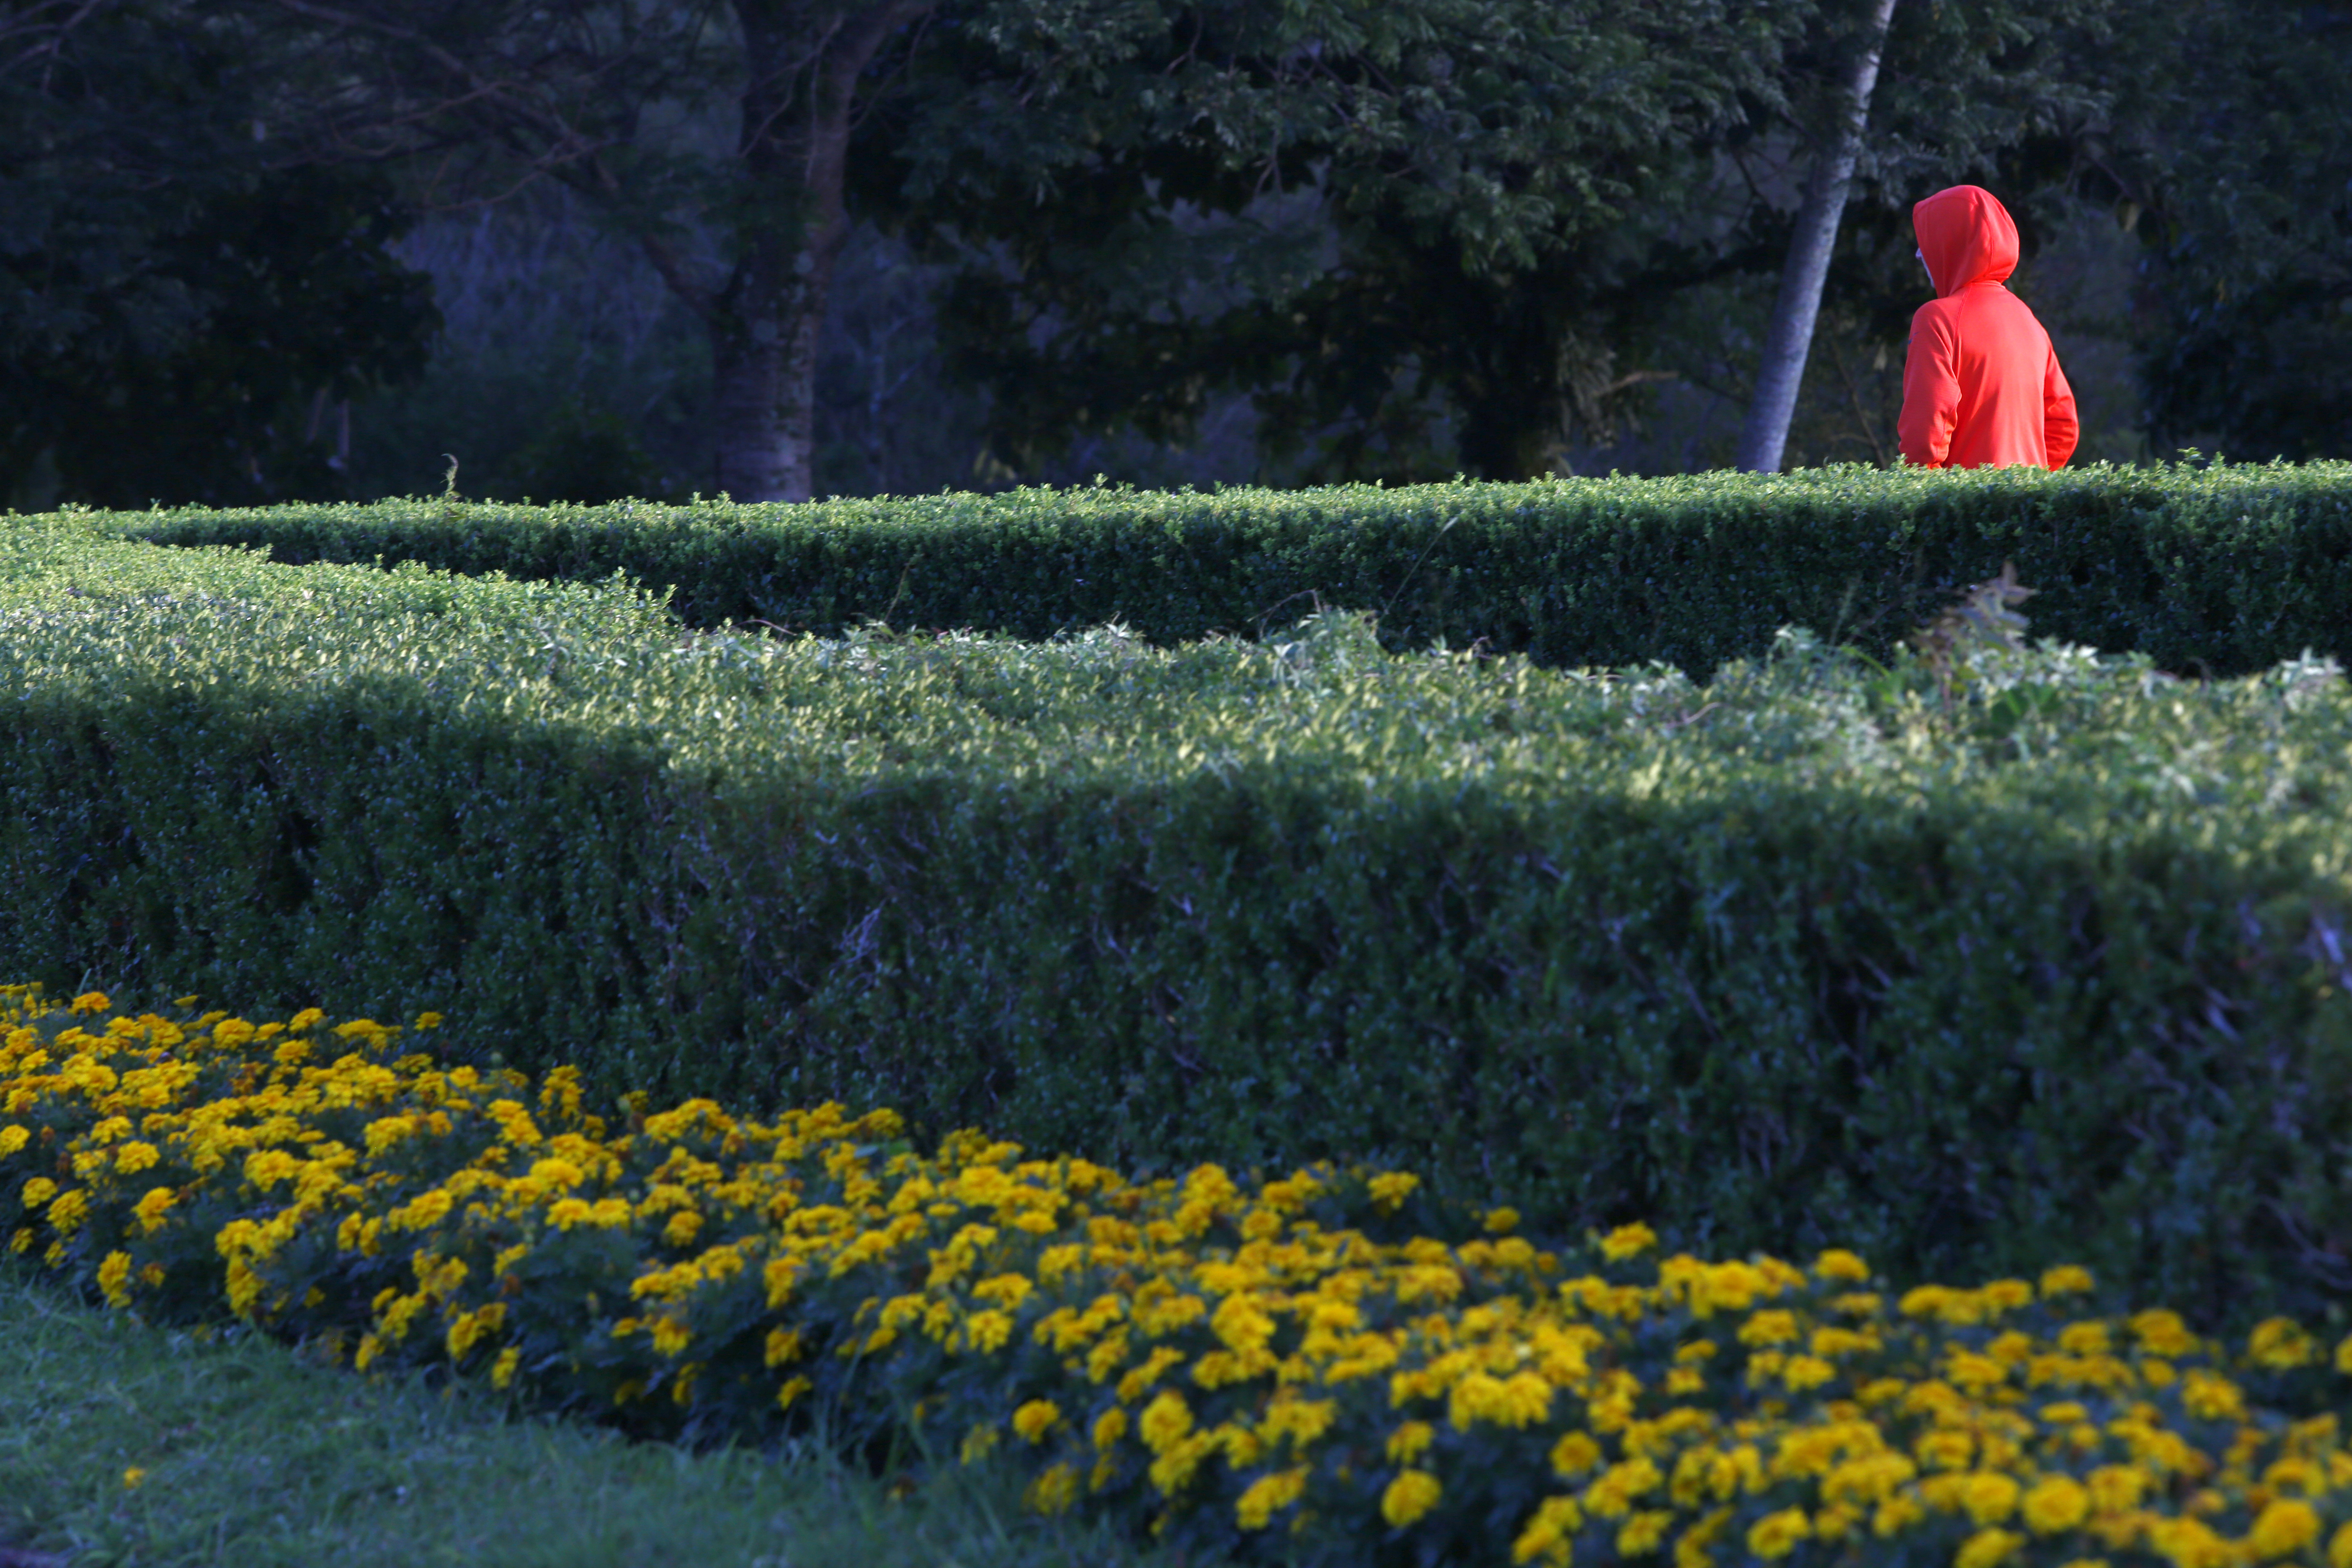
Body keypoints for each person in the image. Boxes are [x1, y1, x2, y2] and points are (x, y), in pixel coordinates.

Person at [1898, 184, 2078, 470]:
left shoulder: (1936, 319)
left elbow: (1924, 439)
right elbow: (2063, 426)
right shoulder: (2029, 322)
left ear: (1953, 242)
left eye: (1929, 239)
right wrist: (2031, 487)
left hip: (1964, 511)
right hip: (2027, 509)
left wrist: (1926, 507)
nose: (1920, 254)